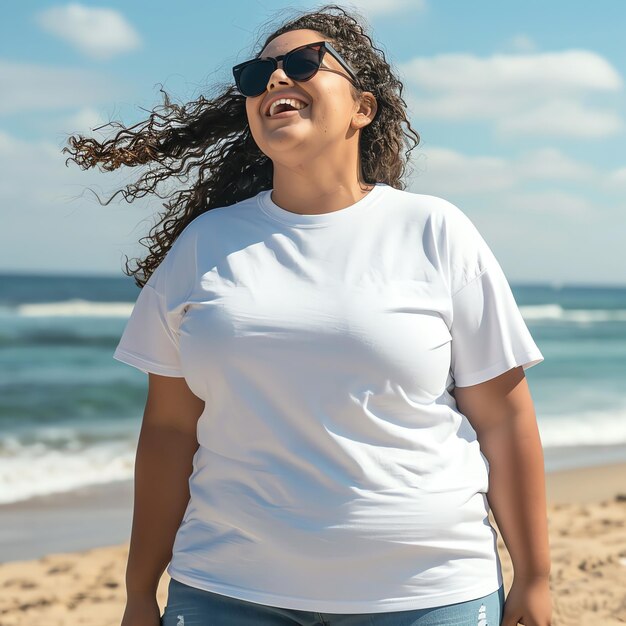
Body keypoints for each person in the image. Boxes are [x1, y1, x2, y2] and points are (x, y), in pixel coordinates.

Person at [63, 4, 553, 625]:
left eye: (301, 64)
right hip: (224, 588)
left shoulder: (435, 231)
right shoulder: (204, 245)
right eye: (257, 73)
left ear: (363, 109)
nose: (274, 79)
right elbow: (168, 432)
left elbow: (505, 421)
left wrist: (534, 579)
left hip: (425, 591)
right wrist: (139, 592)